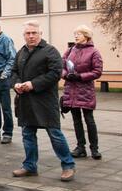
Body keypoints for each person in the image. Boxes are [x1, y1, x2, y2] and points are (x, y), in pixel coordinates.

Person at [11, 20, 75, 181]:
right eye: (28, 33)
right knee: (28, 134)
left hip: (45, 101)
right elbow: (14, 71)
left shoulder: (50, 51)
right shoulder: (21, 52)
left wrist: (33, 84)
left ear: (40, 34)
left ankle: (68, 165)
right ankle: (30, 166)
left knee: (55, 134)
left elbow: (55, 73)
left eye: (34, 33)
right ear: (24, 35)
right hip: (26, 101)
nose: (31, 36)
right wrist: (16, 83)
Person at [62, 25, 104, 160]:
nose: (76, 36)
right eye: (75, 34)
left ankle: (94, 148)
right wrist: (66, 75)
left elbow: (97, 72)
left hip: (85, 90)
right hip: (71, 89)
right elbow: (60, 66)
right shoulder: (69, 50)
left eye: (78, 34)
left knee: (89, 120)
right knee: (76, 120)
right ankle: (80, 147)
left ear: (86, 36)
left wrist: (80, 76)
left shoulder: (94, 52)